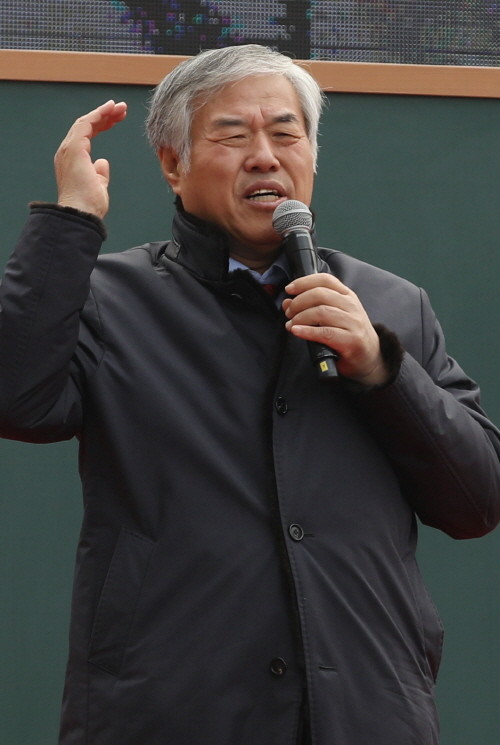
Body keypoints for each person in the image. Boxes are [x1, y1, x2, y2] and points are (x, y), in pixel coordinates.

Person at [0, 44, 499, 745]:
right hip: (172, 712)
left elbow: (477, 501)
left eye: (286, 134)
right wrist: (71, 220)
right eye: (233, 135)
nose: (265, 157)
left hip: (367, 710)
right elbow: (16, 399)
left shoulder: (390, 307)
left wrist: (383, 371)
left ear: (312, 156)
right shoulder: (109, 300)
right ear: (173, 165)